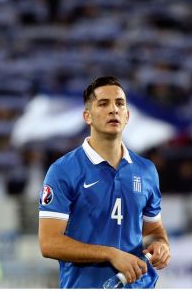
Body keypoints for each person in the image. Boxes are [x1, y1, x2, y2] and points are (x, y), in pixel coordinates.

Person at [38, 76, 171, 288]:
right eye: (103, 103)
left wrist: (160, 245)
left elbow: (153, 230)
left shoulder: (146, 170)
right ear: (87, 116)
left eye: (119, 103)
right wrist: (110, 254)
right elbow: (49, 243)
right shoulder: (63, 170)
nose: (113, 110)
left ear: (127, 116)